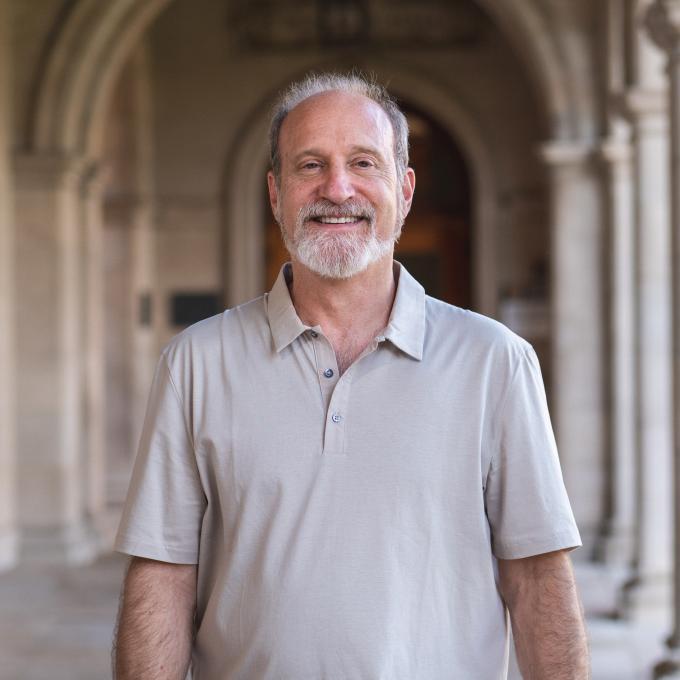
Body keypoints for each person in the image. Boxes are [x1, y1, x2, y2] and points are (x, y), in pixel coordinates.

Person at [113, 72, 589, 680]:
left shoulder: (496, 362)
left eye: (363, 162)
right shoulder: (195, 364)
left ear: (405, 189)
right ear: (276, 193)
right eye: (309, 166)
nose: (337, 189)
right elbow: (163, 572)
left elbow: (538, 577)